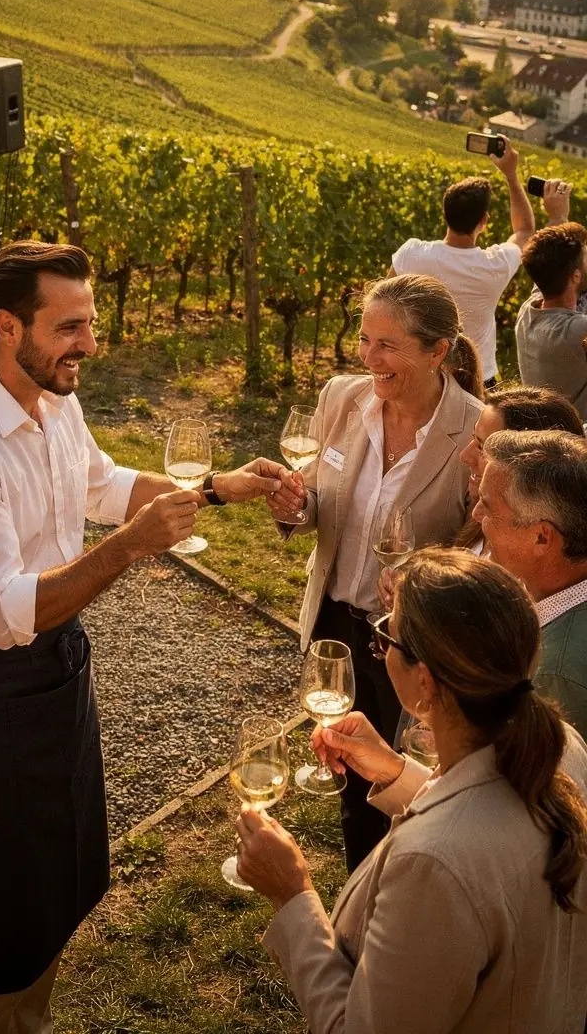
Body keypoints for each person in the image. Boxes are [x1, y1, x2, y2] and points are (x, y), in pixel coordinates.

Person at [0, 240, 300, 1034]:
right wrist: (130, 548)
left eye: (90, 322)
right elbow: (7, 612)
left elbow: (103, 484)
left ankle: (30, 1019)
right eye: (70, 327)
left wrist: (217, 490)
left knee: (55, 875)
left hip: (55, 666)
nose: (89, 343)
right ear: (7, 327)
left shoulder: (54, 398)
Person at [235, 550, 587, 1034]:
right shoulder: (562, 747)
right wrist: (397, 773)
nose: (378, 647)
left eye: (386, 636)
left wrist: (291, 891)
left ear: (425, 681)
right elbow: (487, 816)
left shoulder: (434, 867)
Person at [269, 274, 482, 870]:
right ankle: (362, 891)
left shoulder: (473, 430)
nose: (368, 357)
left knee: (411, 778)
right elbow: (320, 497)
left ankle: (411, 887)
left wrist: (426, 573)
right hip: (336, 621)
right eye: (365, 339)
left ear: (437, 351)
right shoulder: (342, 398)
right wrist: (297, 507)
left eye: (387, 345)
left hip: (414, 639)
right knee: (348, 766)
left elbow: (481, 543)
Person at [390, 141, 545, 385]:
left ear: (445, 214)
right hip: (475, 379)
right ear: (484, 221)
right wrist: (511, 175)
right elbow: (525, 230)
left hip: (422, 373)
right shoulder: (496, 265)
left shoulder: (411, 253)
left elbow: (383, 302)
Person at [474, 428, 587, 741]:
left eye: (488, 507)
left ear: (541, 537)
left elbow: (536, 771)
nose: (476, 514)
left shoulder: (556, 672)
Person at [457, 384, 584, 551]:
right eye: (473, 438)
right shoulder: (481, 516)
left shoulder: (527, 552)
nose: (465, 456)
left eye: (483, 448)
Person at [515, 207, 587, 416]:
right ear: (575, 276)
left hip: (543, 427)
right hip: (575, 433)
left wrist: (558, 216)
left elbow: (548, 259)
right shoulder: (574, 331)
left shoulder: (528, 311)